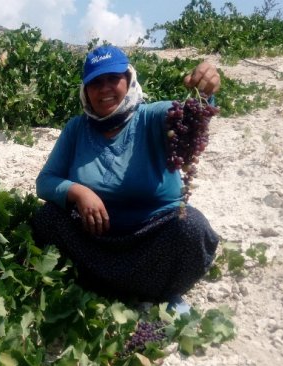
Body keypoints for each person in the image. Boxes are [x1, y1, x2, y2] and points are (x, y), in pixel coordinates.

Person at [32, 45, 221, 312]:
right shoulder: (77, 129)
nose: (105, 88)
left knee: (192, 227)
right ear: (85, 91)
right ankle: (129, 290)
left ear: (129, 80)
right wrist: (79, 192)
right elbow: (46, 181)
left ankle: (158, 291)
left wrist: (204, 92)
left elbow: (189, 118)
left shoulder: (153, 117)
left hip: (151, 240)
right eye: (96, 82)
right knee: (47, 218)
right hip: (96, 240)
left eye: (113, 79)